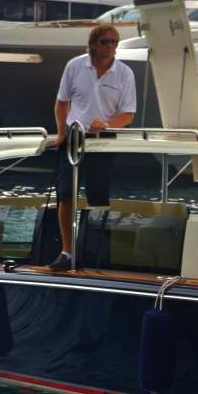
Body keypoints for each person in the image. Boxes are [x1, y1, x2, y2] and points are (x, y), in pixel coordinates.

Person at [51, 24, 136, 270]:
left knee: (98, 195)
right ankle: (67, 252)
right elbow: (61, 103)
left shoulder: (125, 73)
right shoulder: (75, 66)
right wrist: (60, 133)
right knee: (65, 195)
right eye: (106, 42)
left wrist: (107, 124)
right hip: (74, 137)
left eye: (115, 42)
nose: (111, 46)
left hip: (105, 140)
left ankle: (96, 251)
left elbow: (128, 115)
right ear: (94, 44)